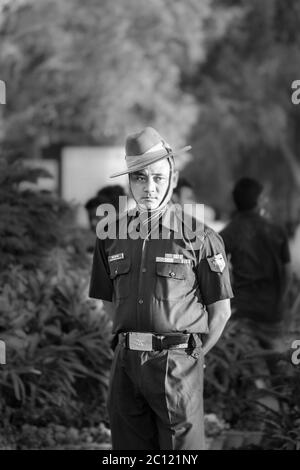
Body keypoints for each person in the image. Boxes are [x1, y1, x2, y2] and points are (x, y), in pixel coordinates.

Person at [89, 127, 233, 450]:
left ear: (174, 177)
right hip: (126, 368)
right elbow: (109, 303)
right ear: (130, 182)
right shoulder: (110, 235)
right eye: (139, 178)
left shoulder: (200, 238)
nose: (149, 187)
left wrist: (190, 357)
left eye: (157, 177)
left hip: (178, 365)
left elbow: (220, 312)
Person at [220, 177, 292, 354]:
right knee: (276, 368)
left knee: (245, 368)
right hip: (271, 313)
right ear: (259, 201)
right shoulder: (276, 230)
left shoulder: (230, 232)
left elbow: (215, 269)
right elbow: (288, 274)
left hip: (241, 313)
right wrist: (280, 301)